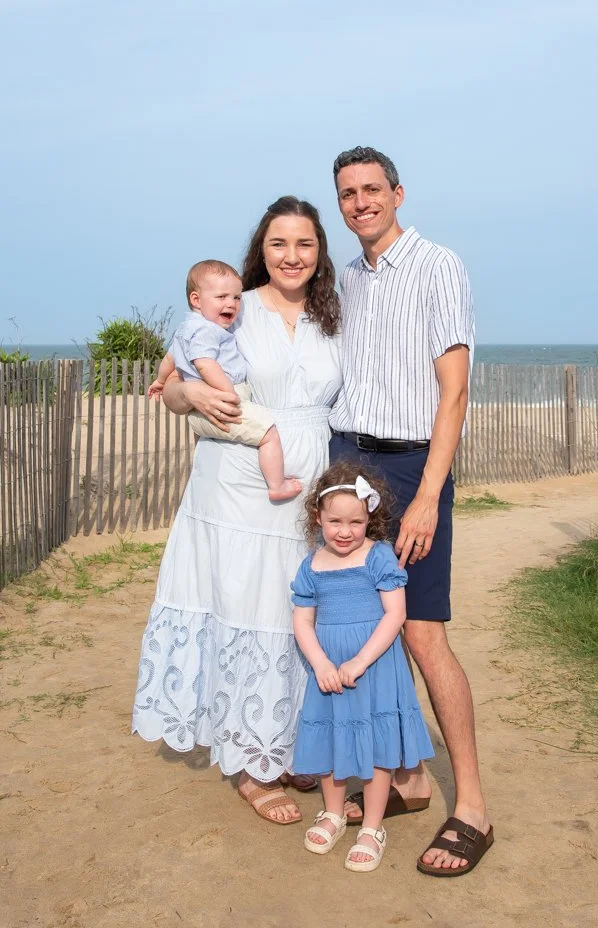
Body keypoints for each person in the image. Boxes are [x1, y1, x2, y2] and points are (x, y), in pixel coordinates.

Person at [132, 196, 341, 824]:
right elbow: (170, 388)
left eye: (304, 244)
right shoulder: (233, 305)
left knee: (295, 609)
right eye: (279, 244)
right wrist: (186, 388)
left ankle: (288, 743)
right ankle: (250, 763)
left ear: (318, 251)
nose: (292, 256)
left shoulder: (335, 314)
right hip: (235, 483)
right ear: (262, 249)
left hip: (309, 478)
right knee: (245, 605)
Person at [328, 146, 494, 877]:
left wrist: (427, 494)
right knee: (372, 632)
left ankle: (474, 810)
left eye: (371, 189)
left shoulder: (437, 265)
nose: (360, 202)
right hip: (349, 461)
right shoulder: (347, 279)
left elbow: (453, 392)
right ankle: (412, 778)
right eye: (347, 193)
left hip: (410, 465)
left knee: (424, 636)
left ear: (398, 193)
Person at [291, 461, 434, 873]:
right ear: (318, 517)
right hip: (329, 670)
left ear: (368, 517)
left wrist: (359, 661)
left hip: (372, 667)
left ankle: (372, 827)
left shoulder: (379, 557)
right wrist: (320, 664)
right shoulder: (312, 565)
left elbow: (395, 615)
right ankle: (333, 814)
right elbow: (302, 620)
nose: (344, 530)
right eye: (334, 520)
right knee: (332, 741)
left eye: (355, 521)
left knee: (375, 743)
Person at [148, 259, 301, 501]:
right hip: (224, 398)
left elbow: (170, 358)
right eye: (221, 297)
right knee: (268, 434)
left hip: (203, 408)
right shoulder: (207, 331)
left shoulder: (185, 328)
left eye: (236, 298)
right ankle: (277, 485)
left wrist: (159, 380)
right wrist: (228, 392)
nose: (231, 304)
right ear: (196, 300)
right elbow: (205, 363)